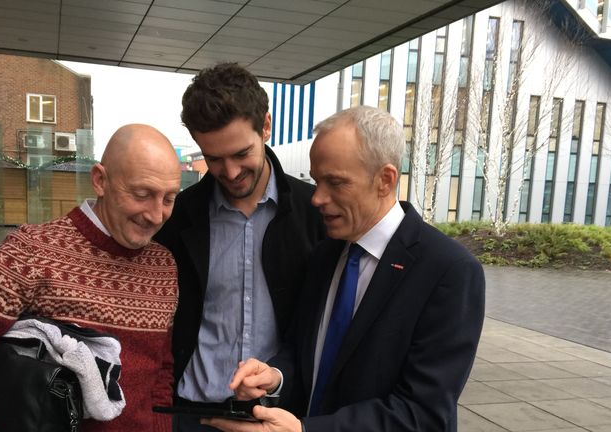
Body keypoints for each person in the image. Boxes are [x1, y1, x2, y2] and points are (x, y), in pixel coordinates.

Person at [204, 106, 485, 432]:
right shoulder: (325, 254)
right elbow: (303, 351)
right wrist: (275, 376)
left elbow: (422, 413)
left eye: (335, 183)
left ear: (385, 179)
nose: (317, 198)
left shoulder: (448, 271)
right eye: (317, 180)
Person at [0, 124, 183, 432]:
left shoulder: (163, 265)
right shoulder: (33, 252)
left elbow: (160, 370)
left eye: (169, 199)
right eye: (143, 194)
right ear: (100, 180)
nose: (157, 215)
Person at [153, 63, 325, 431]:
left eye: (241, 153)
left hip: (276, 418)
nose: (230, 172)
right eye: (214, 158)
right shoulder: (179, 216)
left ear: (265, 126)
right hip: (190, 414)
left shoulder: (316, 213)